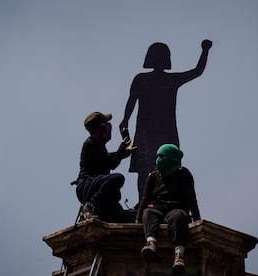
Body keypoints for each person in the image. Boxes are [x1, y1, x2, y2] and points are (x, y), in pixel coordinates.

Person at [120, 39, 212, 204]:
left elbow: (197, 71)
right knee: (146, 170)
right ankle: (145, 202)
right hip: (150, 132)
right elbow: (131, 100)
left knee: (157, 170)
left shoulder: (155, 79)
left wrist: (205, 50)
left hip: (159, 132)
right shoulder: (146, 79)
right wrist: (125, 119)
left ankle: (157, 200)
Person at [136, 144, 201, 274]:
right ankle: (151, 244)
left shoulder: (183, 174)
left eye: (162, 156)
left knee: (178, 217)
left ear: (171, 158)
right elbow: (145, 198)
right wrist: (138, 218)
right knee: (148, 212)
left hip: (176, 208)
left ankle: (179, 256)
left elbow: (191, 198)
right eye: (157, 156)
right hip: (158, 208)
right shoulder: (154, 176)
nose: (158, 159)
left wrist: (197, 219)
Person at [73, 112, 137, 222]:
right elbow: (108, 162)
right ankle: (90, 206)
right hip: (87, 187)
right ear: (102, 128)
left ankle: (92, 209)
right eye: (107, 124)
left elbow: (110, 163)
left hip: (97, 188)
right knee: (117, 178)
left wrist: (122, 149)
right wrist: (125, 151)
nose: (109, 126)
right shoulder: (90, 144)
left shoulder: (99, 145)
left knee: (123, 219)